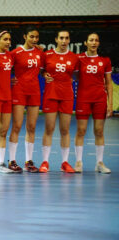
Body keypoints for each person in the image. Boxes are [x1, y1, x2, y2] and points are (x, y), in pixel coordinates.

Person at [39, 29, 79, 173]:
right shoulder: (47, 55)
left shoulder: (74, 57)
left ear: (69, 40)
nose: (64, 41)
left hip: (67, 96)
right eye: (61, 38)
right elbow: (42, 71)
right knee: (49, 128)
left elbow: (76, 75)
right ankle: (45, 162)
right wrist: (44, 74)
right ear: (56, 39)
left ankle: (65, 162)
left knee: (65, 130)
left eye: (66, 38)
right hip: (51, 94)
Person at [74, 32, 113, 174]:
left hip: (100, 99)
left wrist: (110, 104)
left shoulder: (105, 60)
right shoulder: (79, 59)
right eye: (91, 40)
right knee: (81, 131)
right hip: (83, 98)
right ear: (85, 42)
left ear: (99, 43)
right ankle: (78, 162)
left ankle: (99, 163)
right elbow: (75, 76)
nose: (94, 42)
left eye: (96, 40)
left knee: (99, 131)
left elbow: (109, 84)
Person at [8, 26, 43, 173]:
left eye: (36, 37)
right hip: (19, 91)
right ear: (25, 36)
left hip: (34, 91)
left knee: (32, 127)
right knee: (16, 126)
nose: (34, 40)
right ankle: (12, 160)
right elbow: (3, 68)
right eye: (31, 37)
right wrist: (10, 80)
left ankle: (29, 161)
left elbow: (46, 68)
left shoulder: (40, 53)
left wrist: (47, 74)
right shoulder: (15, 53)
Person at [0, 30, 15, 173]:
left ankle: (0, 163)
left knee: (4, 131)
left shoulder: (10, 56)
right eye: (5, 39)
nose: (7, 42)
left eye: (9, 39)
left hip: (7, 97)